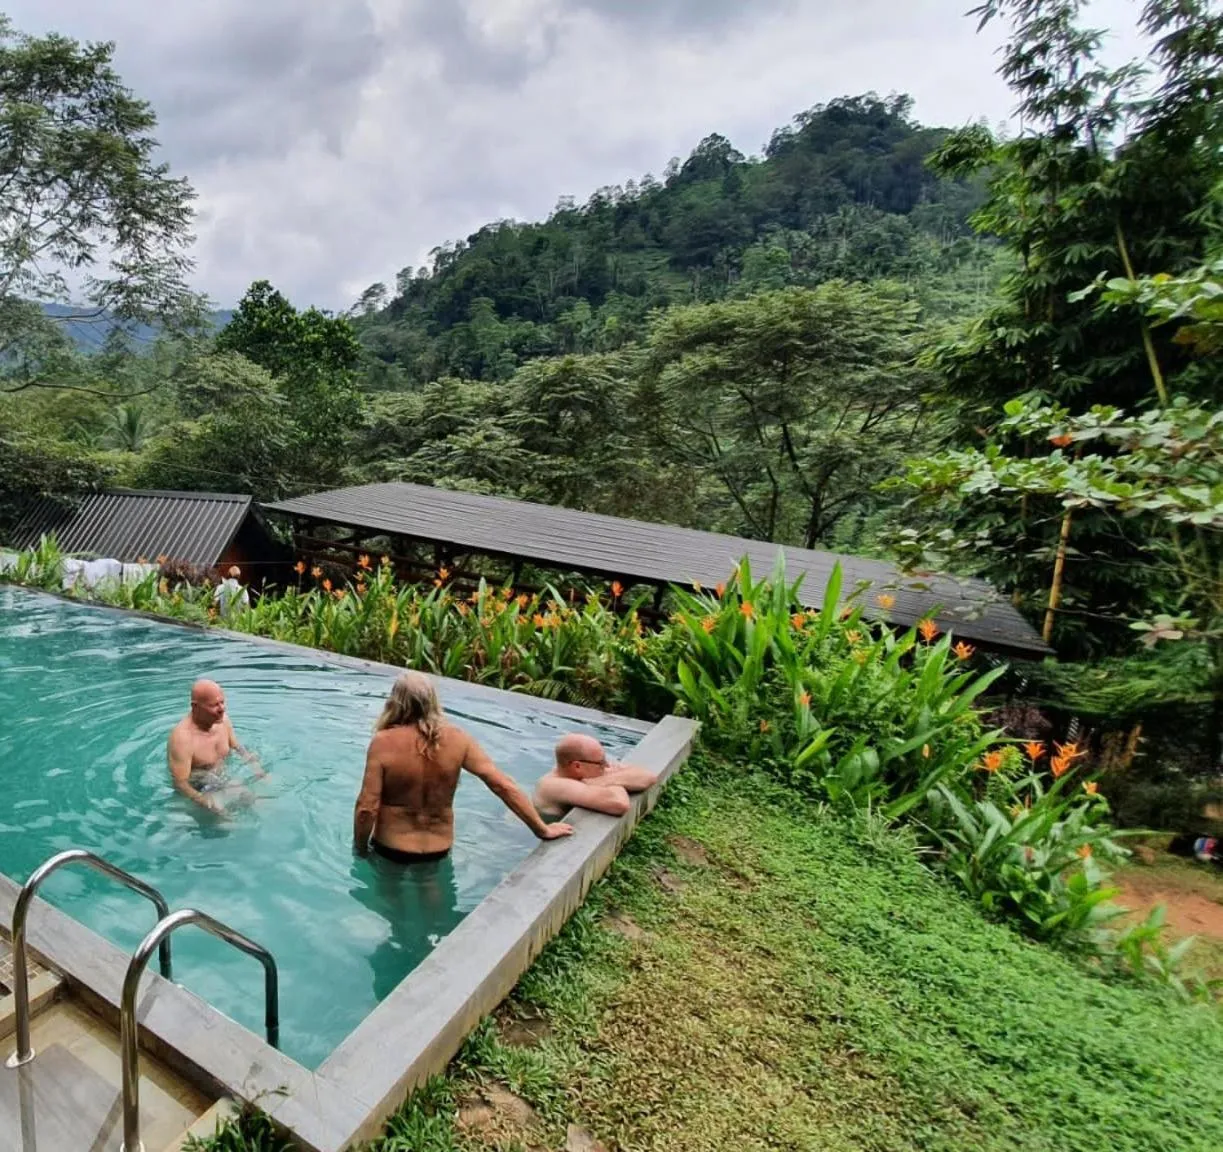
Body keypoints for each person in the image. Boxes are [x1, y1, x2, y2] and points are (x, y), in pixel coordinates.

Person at [353, 671, 574, 862]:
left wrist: (360, 849)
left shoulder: (383, 743)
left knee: (389, 910)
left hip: (392, 848)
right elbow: (502, 785)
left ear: (395, 701)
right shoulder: (459, 739)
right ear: (433, 701)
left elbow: (367, 807)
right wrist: (542, 829)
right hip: (438, 849)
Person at [167, 679, 264, 816]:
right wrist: (205, 803)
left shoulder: (223, 720)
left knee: (252, 800)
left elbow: (236, 746)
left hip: (223, 777)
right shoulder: (182, 739)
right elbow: (180, 783)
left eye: (222, 702)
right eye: (214, 705)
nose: (222, 709)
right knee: (224, 824)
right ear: (195, 707)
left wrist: (256, 767)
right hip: (200, 786)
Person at [533, 733, 658, 818]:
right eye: (601, 763)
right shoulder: (554, 785)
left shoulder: (586, 771)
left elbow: (648, 776)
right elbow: (619, 804)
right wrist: (614, 779)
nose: (607, 766)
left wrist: (602, 781)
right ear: (577, 766)